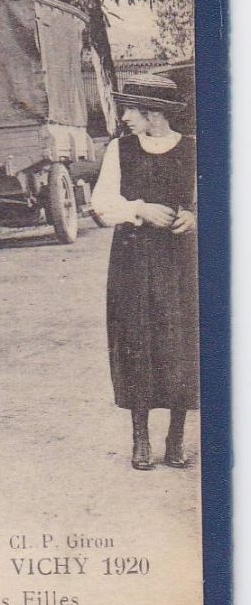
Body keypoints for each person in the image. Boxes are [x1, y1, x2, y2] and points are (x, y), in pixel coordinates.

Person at [90, 73, 198, 472]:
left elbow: (223, 197)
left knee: (180, 341)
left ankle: (175, 439)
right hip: (134, 258)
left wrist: (195, 216)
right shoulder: (121, 150)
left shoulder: (193, 149)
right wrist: (139, 209)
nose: (126, 119)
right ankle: (140, 438)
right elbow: (101, 205)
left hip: (181, 259)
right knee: (137, 338)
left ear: (153, 114)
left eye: (130, 111)